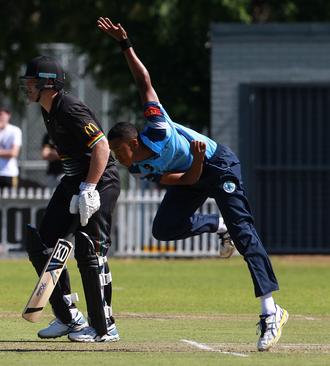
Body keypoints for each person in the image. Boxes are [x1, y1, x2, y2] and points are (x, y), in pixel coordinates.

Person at [97, 17, 287, 351]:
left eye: (116, 150)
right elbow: (185, 180)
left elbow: (143, 81)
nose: (115, 156)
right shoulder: (140, 168)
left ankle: (271, 311)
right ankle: (218, 224)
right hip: (195, 171)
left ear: (130, 142)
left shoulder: (156, 125)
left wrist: (125, 44)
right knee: (165, 227)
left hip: (219, 164)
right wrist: (195, 163)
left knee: (245, 233)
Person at [20, 55, 121, 342]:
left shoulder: (70, 107)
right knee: (42, 244)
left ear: (48, 84)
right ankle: (68, 316)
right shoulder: (48, 109)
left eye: (32, 82)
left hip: (100, 182)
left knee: (89, 251)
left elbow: (101, 146)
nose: (27, 86)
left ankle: (105, 327)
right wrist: (79, 186)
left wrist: (89, 187)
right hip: (73, 182)